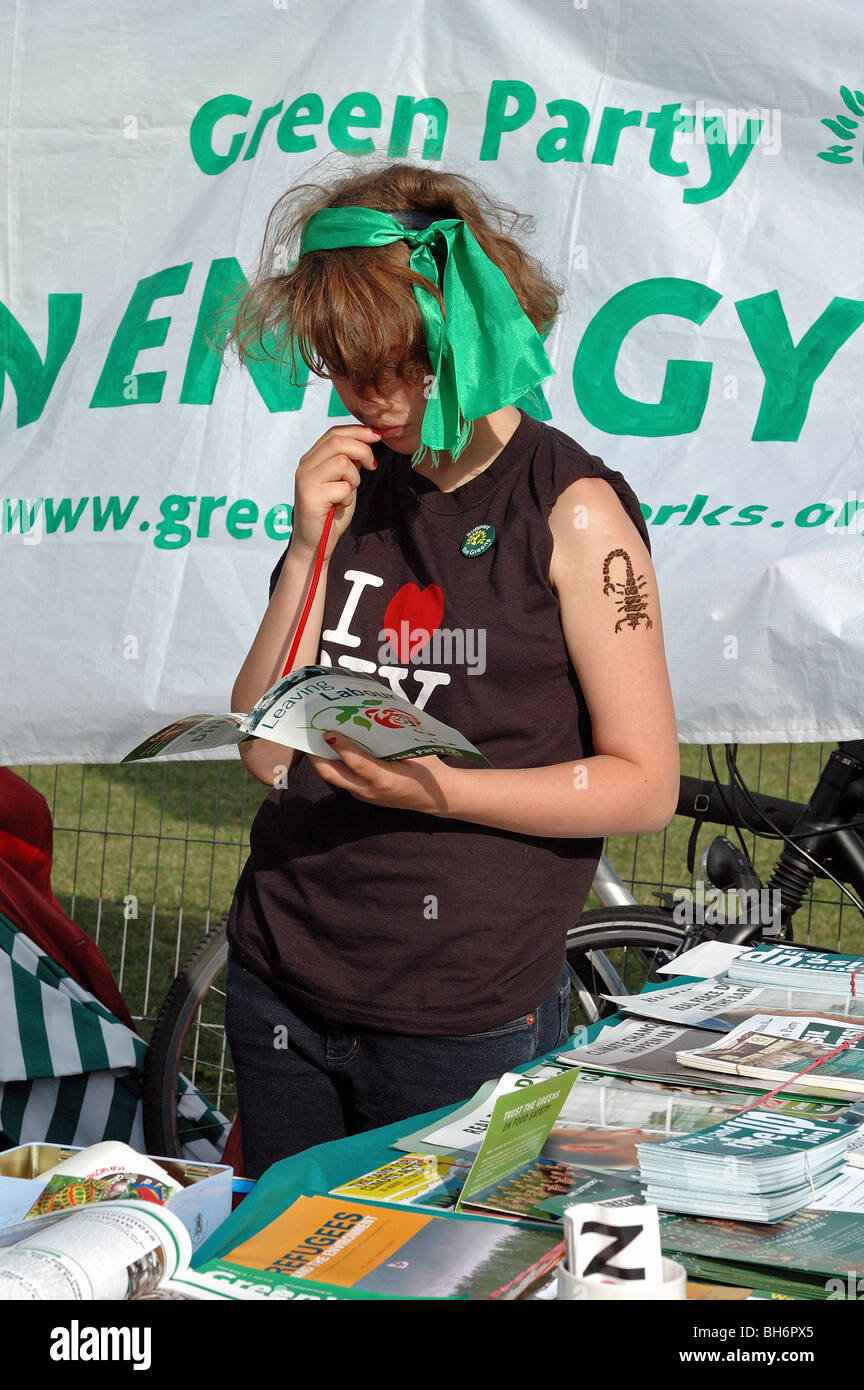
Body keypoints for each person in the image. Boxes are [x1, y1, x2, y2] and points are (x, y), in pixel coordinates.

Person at [222, 161, 680, 1179]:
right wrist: (305, 552)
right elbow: (259, 746)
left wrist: (441, 789)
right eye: (345, 372)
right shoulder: (349, 485)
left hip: (461, 1018)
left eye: (402, 366)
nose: (374, 402)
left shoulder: (574, 512)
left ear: (466, 327)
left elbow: (645, 785)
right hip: (281, 981)